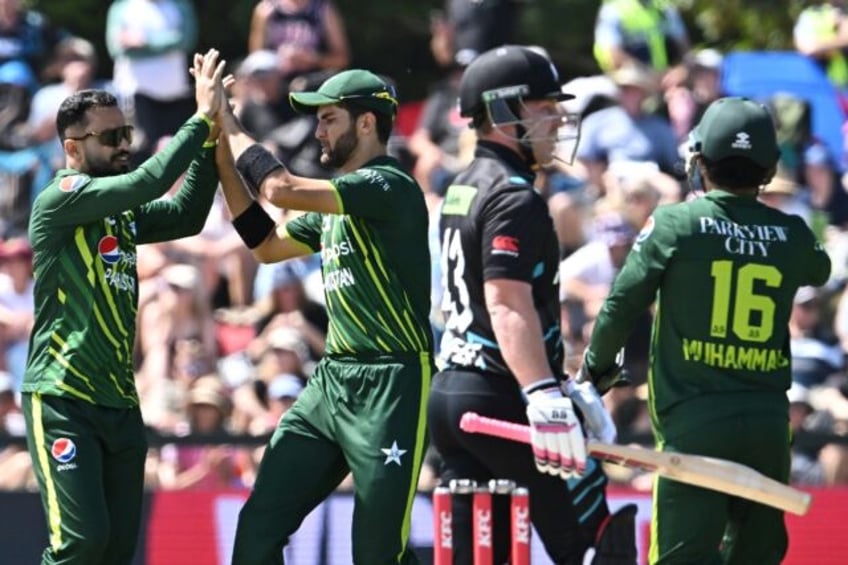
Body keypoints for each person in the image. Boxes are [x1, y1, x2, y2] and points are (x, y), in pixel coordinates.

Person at [581, 97, 832, 564]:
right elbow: (820, 268)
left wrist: (593, 372)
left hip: (694, 425)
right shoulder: (793, 232)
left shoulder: (676, 224)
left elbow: (621, 304)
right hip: (767, 427)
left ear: (700, 161)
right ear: (768, 168)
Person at [213, 67, 435, 564]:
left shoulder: (388, 186)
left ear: (366, 124)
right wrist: (221, 153)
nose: (317, 132)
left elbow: (278, 191)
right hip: (331, 380)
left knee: (379, 554)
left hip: (390, 383)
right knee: (257, 531)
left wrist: (229, 121)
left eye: (328, 118)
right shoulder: (338, 207)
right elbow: (266, 246)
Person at [426, 45, 636, 565]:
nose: (557, 120)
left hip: (454, 396)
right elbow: (505, 302)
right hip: (502, 402)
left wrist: (562, 385)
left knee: (484, 556)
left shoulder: (463, 184)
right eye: (543, 108)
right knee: (597, 548)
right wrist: (544, 395)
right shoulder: (514, 195)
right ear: (501, 112)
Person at [20, 49, 225, 564]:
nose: (122, 146)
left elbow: (186, 214)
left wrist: (212, 137)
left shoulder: (121, 212)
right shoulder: (62, 196)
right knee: (81, 544)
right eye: (109, 138)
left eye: (126, 135)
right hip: (63, 398)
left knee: (113, 552)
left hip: (119, 403)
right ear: (71, 147)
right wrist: (200, 119)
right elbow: (151, 182)